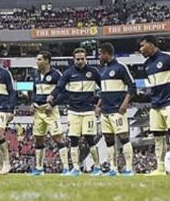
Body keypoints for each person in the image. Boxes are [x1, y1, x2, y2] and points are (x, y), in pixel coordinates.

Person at [139, 35, 170, 176]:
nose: (140, 49)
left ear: (152, 45)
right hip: (155, 105)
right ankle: (160, 168)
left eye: (142, 46)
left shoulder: (168, 58)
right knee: (158, 137)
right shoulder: (146, 65)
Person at [49, 48, 102, 176]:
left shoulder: (93, 72)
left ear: (86, 59)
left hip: (89, 110)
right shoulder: (68, 73)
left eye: (82, 59)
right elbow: (60, 87)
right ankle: (76, 168)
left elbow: (104, 89)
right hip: (73, 111)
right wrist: (52, 96)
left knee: (90, 139)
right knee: (73, 139)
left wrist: (99, 106)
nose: (80, 61)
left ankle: (97, 167)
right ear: (73, 59)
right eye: (77, 59)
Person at [97, 43, 137, 176]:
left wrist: (125, 104)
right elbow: (103, 92)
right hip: (105, 111)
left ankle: (129, 168)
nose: (99, 56)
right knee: (108, 140)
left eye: (100, 54)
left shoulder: (120, 67)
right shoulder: (103, 71)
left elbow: (132, 86)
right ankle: (113, 169)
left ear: (106, 54)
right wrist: (98, 106)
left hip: (117, 110)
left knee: (123, 137)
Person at [29, 51, 69, 175]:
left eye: (39, 59)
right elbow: (33, 91)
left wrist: (52, 104)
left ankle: (66, 168)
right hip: (38, 111)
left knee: (58, 138)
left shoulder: (56, 74)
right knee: (38, 139)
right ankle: (39, 168)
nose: (37, 62)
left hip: (50, 111)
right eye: (37, 59)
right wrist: (32, 102)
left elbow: (64, 92)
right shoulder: (34, 74)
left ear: (47, 61)